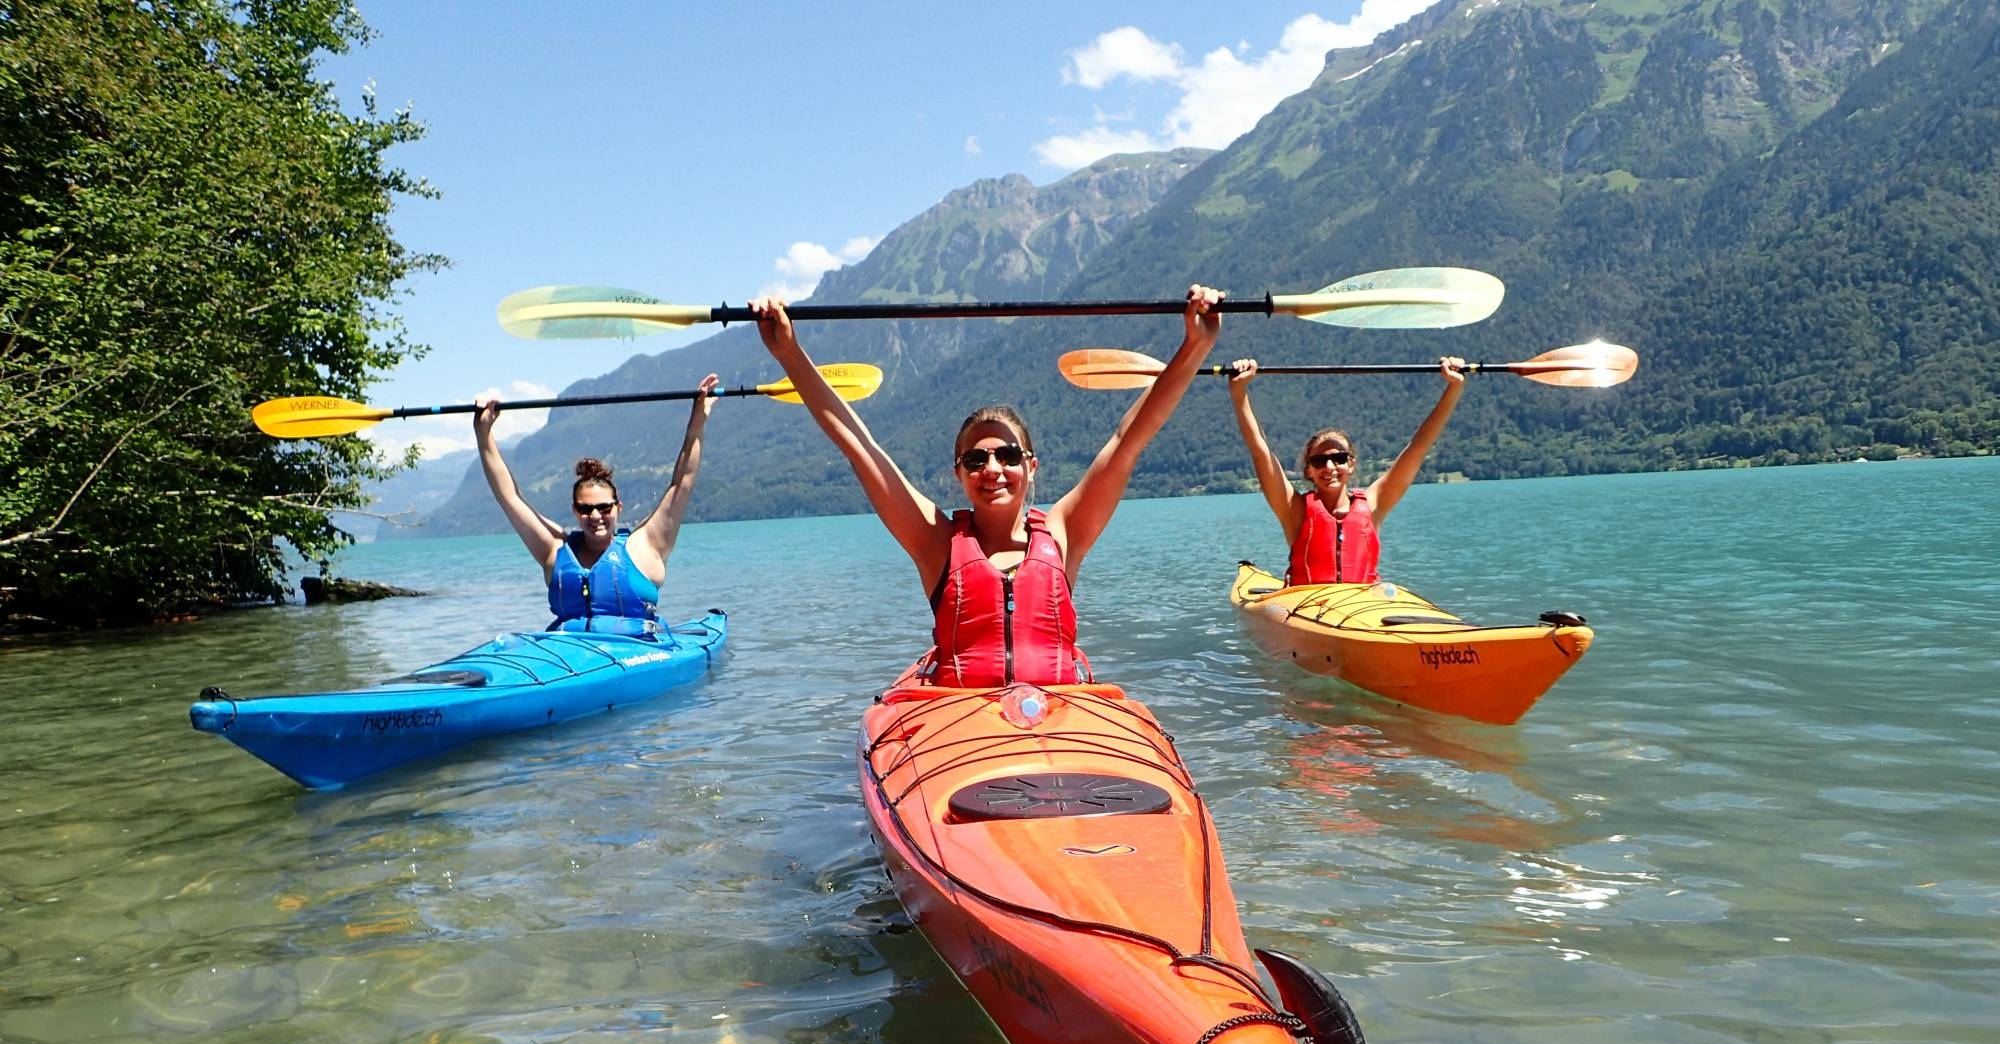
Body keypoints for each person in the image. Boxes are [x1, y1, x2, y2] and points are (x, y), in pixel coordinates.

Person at [751, 287, 1223, 686]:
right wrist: (790, 353)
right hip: (964, 734)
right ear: (959, 473)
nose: (993, 468)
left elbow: (1128, 440)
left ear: (1031, 466)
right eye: (975, 459)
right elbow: (860, 446)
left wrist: (1195, 346)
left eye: (1008, 455)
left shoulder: (1063, 532)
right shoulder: (934, 540)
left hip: (1059, 719)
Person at [471, 374, 716, 635]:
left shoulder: (647, 545)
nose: (596, 516)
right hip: (568, 653)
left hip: (639, 651)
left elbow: (682, 483)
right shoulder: (554, 551)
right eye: (586, 509)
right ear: (575, 512)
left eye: (604, 508)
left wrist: (698, 417)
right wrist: (483, 433)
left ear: (618, 507)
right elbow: (510, 498)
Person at [1228, 357, 1466, 585]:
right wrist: (1239, 394)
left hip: (1363, 605)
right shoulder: (1295, 510)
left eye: (1339, 458)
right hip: (1311, 605)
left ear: (1351, 464)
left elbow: (1419, 446)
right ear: (1308, 470)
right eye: (1319, 461)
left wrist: (1454, 388)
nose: (1329, 467)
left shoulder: (1373, 503)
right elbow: (1261, 452)